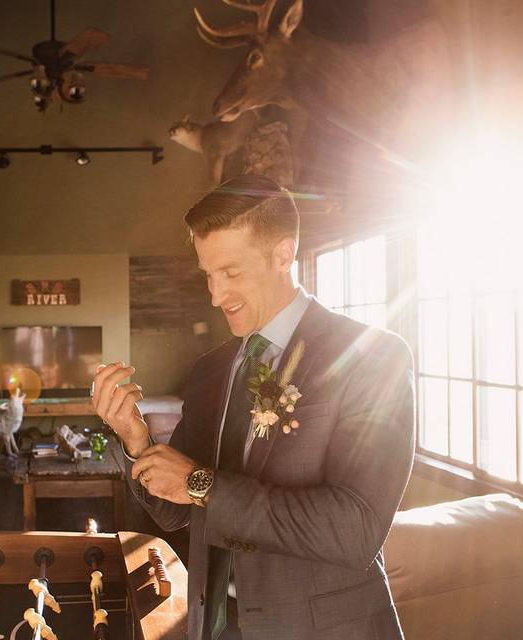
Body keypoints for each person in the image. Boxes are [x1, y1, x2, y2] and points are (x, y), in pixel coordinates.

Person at [92, 174, 415, 640]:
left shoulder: (375, 357)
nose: (215, 296)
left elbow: (355, 530)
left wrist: (202, 485)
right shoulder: (211, 369)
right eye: (208, 274)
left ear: (283, 255)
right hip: (214, 626)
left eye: (231, 272)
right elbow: (180, 511)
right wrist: (136, 439)